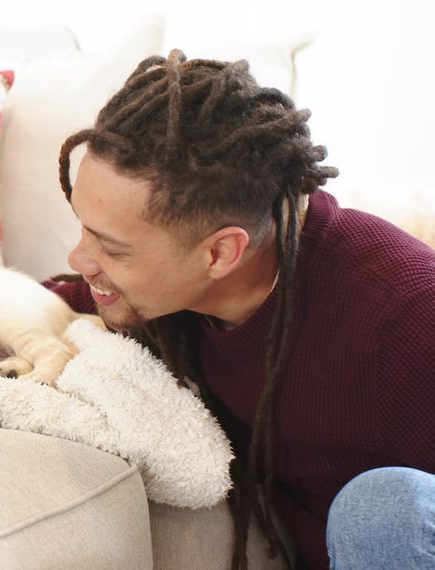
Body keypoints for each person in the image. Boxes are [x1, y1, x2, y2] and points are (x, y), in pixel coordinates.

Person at [48, 49, 435, 569]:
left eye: (112, 248)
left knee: (384, 509)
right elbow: (16, 309)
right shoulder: (160, 302)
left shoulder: (407, 314)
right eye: (83, 230)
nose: (81, 260)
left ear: (220, 253)